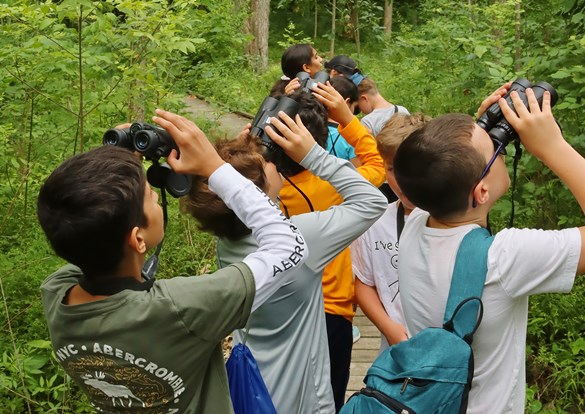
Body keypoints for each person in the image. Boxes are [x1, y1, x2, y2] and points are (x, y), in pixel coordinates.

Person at [37, 110, 310, 414]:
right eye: (149, 196)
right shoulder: (181, 309)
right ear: (137, 239)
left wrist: (113, 161)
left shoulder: (56, 295)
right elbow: (289, 247)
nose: (156, 196)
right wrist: (215, 169)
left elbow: (82, 225)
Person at [393, 86, 585, 414]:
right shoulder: (505, 259)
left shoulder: (416, 223)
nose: (499, 145)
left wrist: (478, 131)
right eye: (494, 148)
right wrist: (552, 147)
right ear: (481, 191)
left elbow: (445, 171)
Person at [183, 108, 387, 413]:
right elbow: (373, 201)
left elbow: (231, 198)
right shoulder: (301, 239)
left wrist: (238, 156)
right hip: (303, 401)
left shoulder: (224, 234)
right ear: (262, 187)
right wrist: (313, 155)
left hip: (250, 389)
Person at [277, 82, 385, 412]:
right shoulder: (332, 187)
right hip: (332, 310)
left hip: (277, 303)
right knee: (329, 396)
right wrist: (346, 118)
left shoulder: (259, 187)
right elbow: (377, 163)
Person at [350, 113, 430, 353]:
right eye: (393, 169)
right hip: (395, 353)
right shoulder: (374, 222)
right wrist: (389, 328)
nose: (403, 181)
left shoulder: (451, 218)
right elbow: (363, 283)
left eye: (414, 169)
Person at [327, 76, 361, 167]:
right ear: (347, 102)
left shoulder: (310, 126)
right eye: (354, 107)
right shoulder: (351, 136)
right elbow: (358, 175)